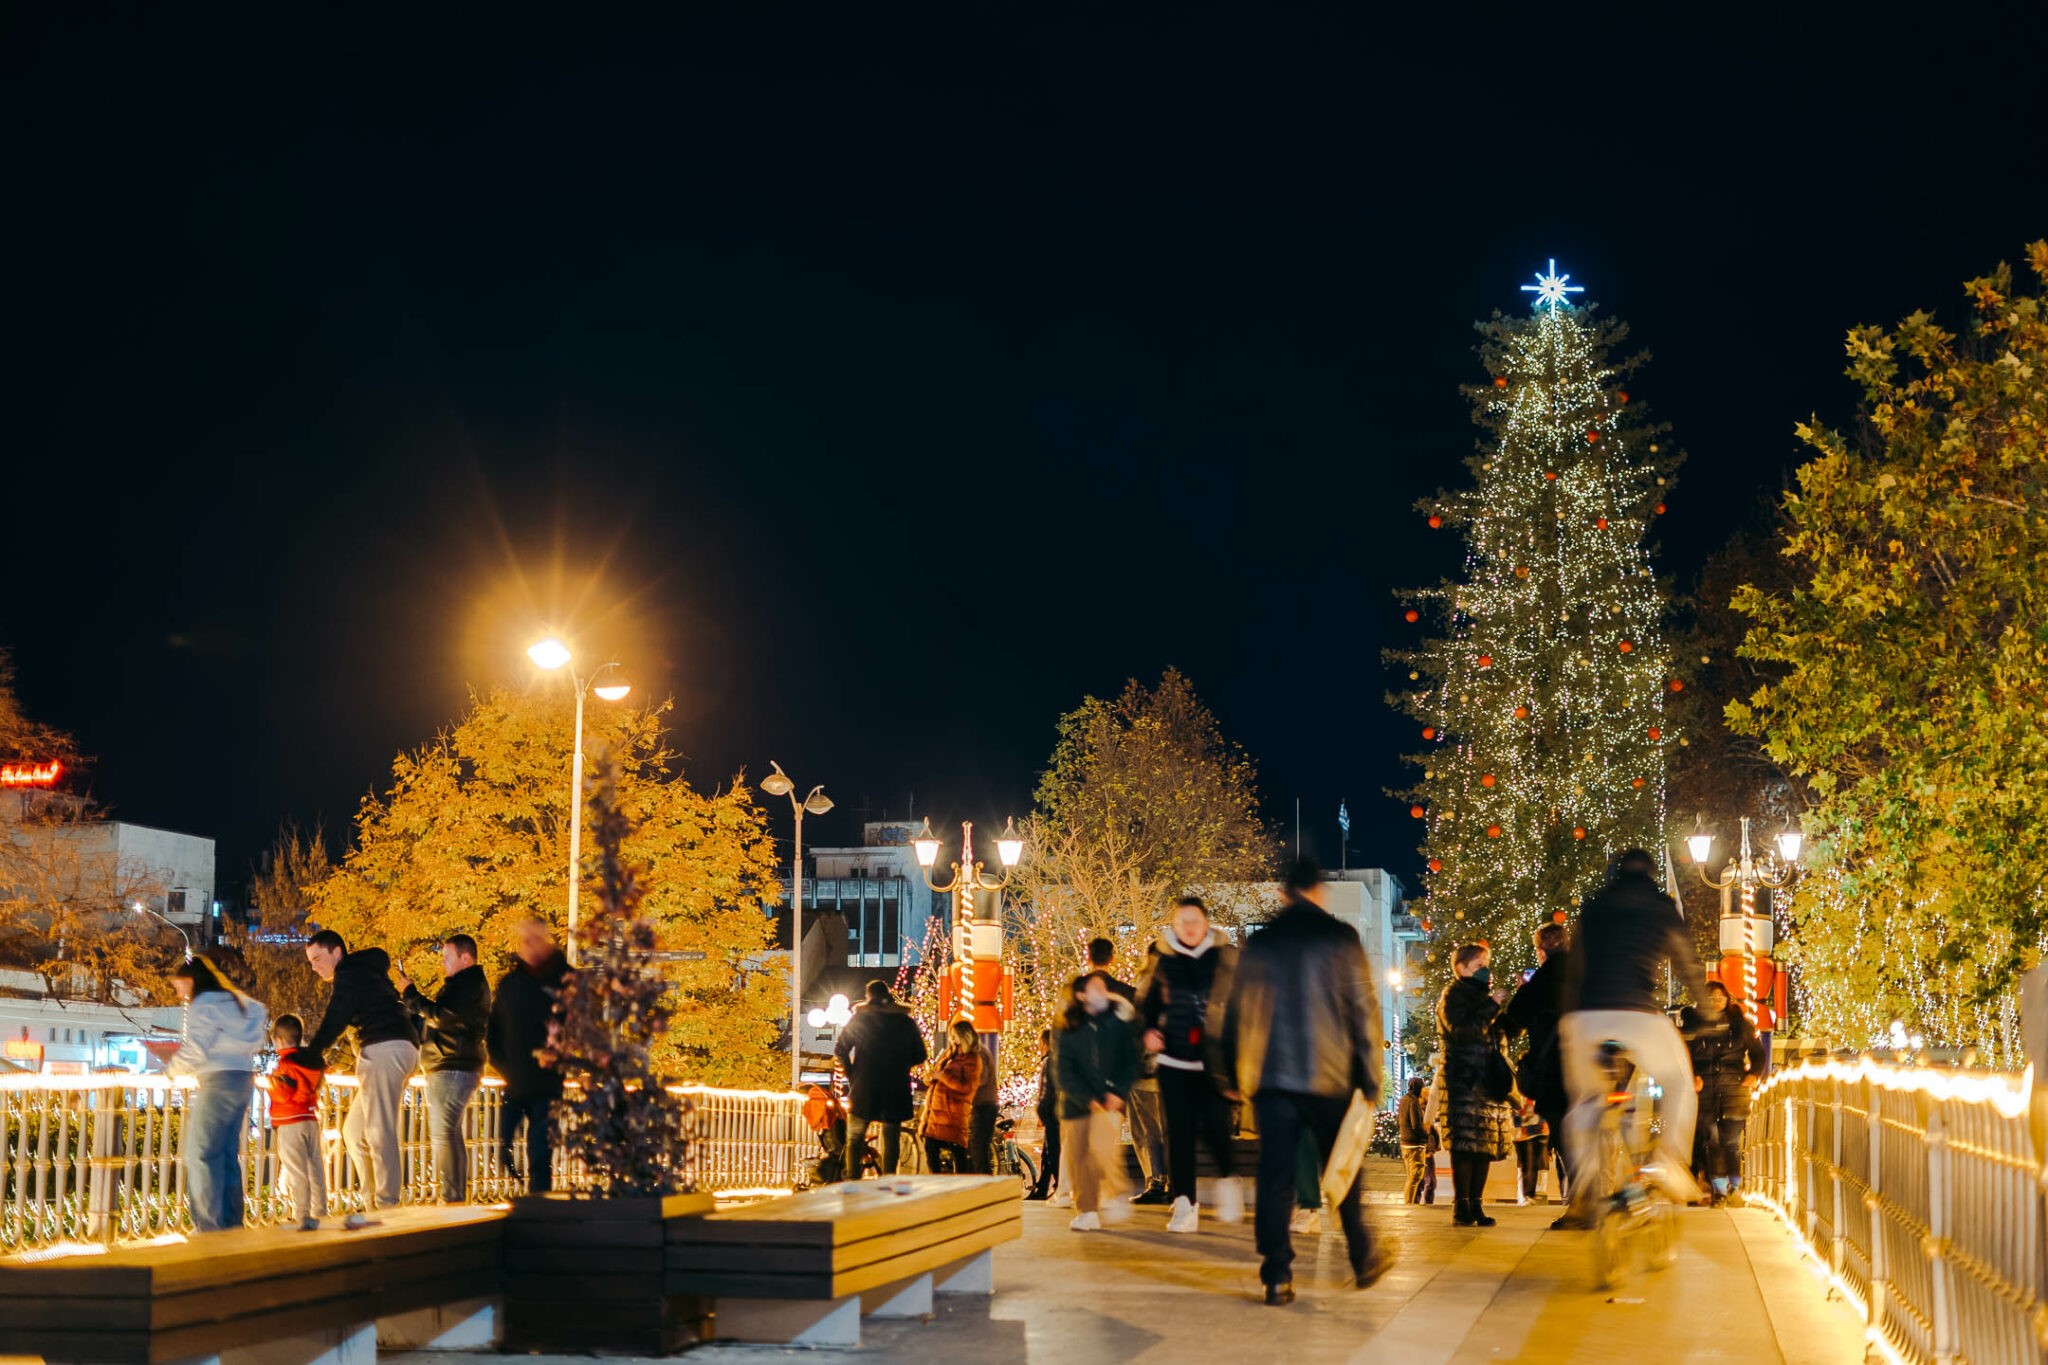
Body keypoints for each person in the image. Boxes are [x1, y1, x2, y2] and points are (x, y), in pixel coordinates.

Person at [1220, 857, 1391, 1304]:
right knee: (1344, 1168)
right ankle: (1363, 1255)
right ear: (1318, 891)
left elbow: (1236, 1013)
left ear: (1283, 893)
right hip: (1331, 1076)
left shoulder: (1261, 944)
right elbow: (1363, 1012)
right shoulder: (1340, 938)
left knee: (1275, 1174)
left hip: (1273, 1078)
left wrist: (1235, 1072)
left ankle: (1276, 1273)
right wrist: (1370, 1077)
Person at [1561, 848, 1717, 1216]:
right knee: (1680, 1082)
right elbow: (1688, 964)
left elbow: (1574, 969)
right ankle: (1668, 1160)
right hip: (1638, 1014)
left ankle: (1584, 1175)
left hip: (1585, 1018)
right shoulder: (1661, 908)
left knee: (1585, 1099)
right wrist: (1706, 1012)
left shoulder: (1594, 906)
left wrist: (1568, 1021)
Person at [1137, 895, 1244, 1232]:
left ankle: (1229, 1180)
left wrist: (1238, 1071)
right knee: (1178, 1136)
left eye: (1195, 921)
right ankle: (1184, 1204)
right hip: (1173, 1063)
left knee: (1216, 1130)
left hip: (1212, 1065)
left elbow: (1241, 1014)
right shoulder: (1163, 961)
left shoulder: (1225, 960)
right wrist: (1148, 1032)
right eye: (1182, 922)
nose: (1189, 928)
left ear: (1206, 924)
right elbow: (1145, 1007)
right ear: (1175, 926)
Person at [305, 929, 418, 1227]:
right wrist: (330, 1063)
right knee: (354, 1133)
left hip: (384, 1046)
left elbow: (336, 1017)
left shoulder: (350, 974)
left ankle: (387, 1207)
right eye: (311, 961)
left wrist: (312, 1053)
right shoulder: (365, 975)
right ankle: (372, 1201)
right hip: (393, 1046)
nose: (315, 967)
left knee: (379, 1131)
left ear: (337, 952)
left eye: (318, 958)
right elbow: (351, 1028)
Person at [168, 957, 268, 1233]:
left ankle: (209, 1226)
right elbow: (260, 1016)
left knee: (200, 1154)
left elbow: (197, 1048)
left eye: (179, 985)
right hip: (242, 1078)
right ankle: (232, 1222)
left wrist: (171, 1071)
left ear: (190, 980)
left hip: (217, 1079)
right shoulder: (239, 1004)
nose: (179, 993)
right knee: (225, 1154)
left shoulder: (204, 1004)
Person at [400, 933, 491, 1204]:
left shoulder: (468, 985)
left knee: (444, 1133)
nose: (443, 964)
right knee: (450, 1133)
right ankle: (455, 1194)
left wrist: (411, 995)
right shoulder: (466, 985)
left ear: (466, 957)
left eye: (447, 958)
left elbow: (443, 1017)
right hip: (455, 1064)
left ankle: (452, 1197)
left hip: (452, 1065)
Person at [487, 917, 570, 1193]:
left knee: (539, 1153)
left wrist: (561, 1052)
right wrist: (504, 1066)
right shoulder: (511, 983)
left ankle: (538, 1206)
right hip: (516, 1081)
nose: (528, 946)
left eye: (534, 939)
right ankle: (524, 1196)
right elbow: (494, 1030)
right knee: (502, 1146)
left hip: (547, 1084)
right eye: (525, 940)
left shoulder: (565, 981)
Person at [1436, 941, 1514, 1227]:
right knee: (1465, 1145)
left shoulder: (1484, 997)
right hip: (1464, 1081)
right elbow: (1464, 1032)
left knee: (1484, 1147)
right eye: (1479, 965)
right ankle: (1462, 1205)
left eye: (1486, 964)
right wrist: (1492, 1005)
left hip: (1489, 1083)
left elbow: (1500, 1032)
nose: (1486, 970)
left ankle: (1477, 1204)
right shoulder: (1453, 995)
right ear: (1462, 968)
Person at [1056, 971, 1140, 1231]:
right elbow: (1063, 1071)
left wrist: (1117, 1092)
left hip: (1109, 1101)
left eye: (1103, 987)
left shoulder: (1118, 1022)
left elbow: (1130, 1060)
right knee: (1079, 1160)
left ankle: (1117, 1192)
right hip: (1076, 1104)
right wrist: (1086, 1099)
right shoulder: (1067, 1027)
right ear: (1081, 995)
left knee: (1103, 1151)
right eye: (1095, 987)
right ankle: (1087, 1210)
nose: (1101, 991)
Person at [1503, 921, 1573, 1214]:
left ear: (1541, 951)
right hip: (1589, 1069)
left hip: (1554, 1075)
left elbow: (1510, 1025)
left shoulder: (1538, 985)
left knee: (1565, 1140)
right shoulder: (1588, 976)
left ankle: (1580, 1205)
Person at [1091, 936, 1167, 1204]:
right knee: (1163, 1128)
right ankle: (1165, 1181)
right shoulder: (1138, 990)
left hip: (1141, 1072)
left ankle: (1156, 1180)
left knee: (1145, 1128)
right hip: (1170, 1072)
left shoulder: (1144, 988)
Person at [1684, 980, 1768, 1206]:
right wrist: (1692, 1075)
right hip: (1706, 1091)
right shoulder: (1696, 1026)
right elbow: (1685, 1055)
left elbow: (1759, 1054)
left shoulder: (1741, 1026)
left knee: (1730, 1142)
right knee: (1712, 1141)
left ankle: (1735, 1187)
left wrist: (1753, 1076)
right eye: (1711, 997)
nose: (1716, 1000)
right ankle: (1720, 1191)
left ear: (1727, 999)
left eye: (1720, 996)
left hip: (1734, 1090)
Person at [834, 980, 927, 1179]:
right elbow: (920, 1054)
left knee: (854, 1136)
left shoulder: (860, 1019)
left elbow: (841, 1048)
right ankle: (889, 1178)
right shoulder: (905, 1022)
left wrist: (852, 1073)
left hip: (864, 1087)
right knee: (891, 1137)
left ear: (868, 996)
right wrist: (901, 1065)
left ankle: (852, 1177)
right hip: (895, 1087)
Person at [269, 1012, 327, 1231]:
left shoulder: (286, 1063)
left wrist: (269, 1082)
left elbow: (283, 1093)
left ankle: (301, 1215)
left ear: (279, 1040)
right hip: (310, 1118)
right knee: (315, 1167)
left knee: (297, 1171)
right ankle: (320, 1211)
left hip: (289, 1121)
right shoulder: (311, 1060)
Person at [921, 1020, 986, 1173]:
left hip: (952, 1115)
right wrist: (930, 1077)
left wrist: (942, 1076)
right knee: (931, 1148)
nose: (952, 1039)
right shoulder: (949, 1054)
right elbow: (937, 1074)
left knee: (957, 1152)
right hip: (937, 1115)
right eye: (951, 1035)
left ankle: (958, 1184)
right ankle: (938, 1183)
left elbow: (967, 1087)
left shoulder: (972, 1059)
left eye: (955, 1035)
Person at [1026, 1027, 1061, 1200]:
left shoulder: (1049, 1061)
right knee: (1047, 1152)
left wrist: (1041, 1110)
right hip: (1055, 1112)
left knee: (1053, 1151)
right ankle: (1043, 1186)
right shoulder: (1057, 1061)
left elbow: (1046, 1090)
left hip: (1052, 1113)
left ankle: (1058, 1185)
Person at [1397, 1076, 1431, 1203]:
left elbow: (1398, 1121)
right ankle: (1409, 1205)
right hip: (1414, 1144)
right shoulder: (1413, 1102)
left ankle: (1409, 1203)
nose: (1423, 1090)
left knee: (1411, 1177)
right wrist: (1426, 1134)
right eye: (1421, 1087)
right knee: (1414, 1177)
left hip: (1405, 1143)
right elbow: (1416, 1125)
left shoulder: (1403, 1100)